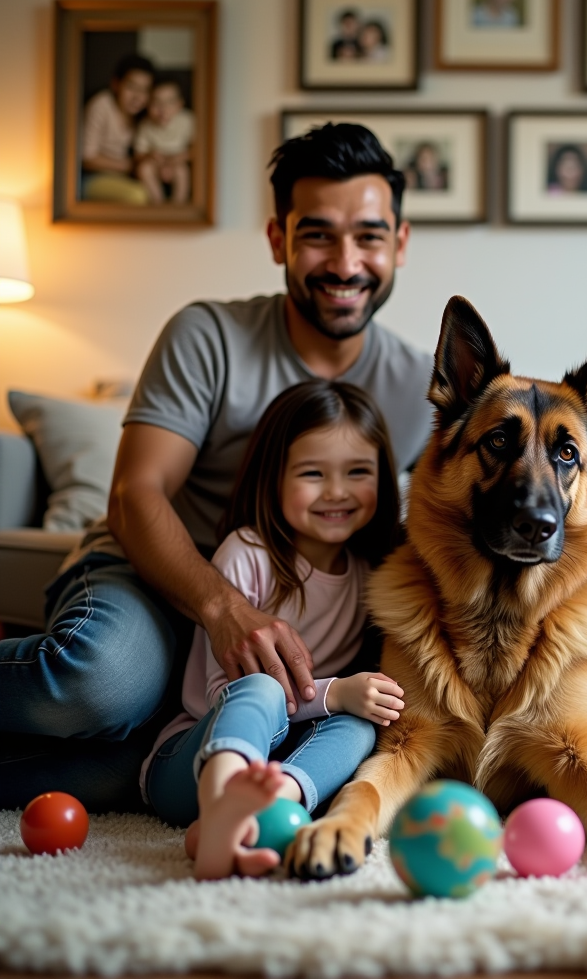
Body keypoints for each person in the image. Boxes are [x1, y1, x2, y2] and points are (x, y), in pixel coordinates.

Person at [0, 122, 435, 812]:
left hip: (277, 625)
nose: (346, 262)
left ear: (400, 244)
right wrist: (226, 608)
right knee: (106, 685)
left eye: (370, 237)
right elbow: (137, 496)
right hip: (155, 579)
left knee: (127, 769)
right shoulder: (208, 335)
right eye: (317, 233)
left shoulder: (418, 387)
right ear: (277, 239)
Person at [146, 380, 404, 878]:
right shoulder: (248, 553)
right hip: (193, 758)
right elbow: (226, 692)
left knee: (359, 725)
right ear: (274, 477)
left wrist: (350, 701)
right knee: (262, 688)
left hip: (286, 756)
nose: (337, 491)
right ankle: (223, 802)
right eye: (312, 473)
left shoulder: (372, 573)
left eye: (358, 472)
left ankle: (265, 809)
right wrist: (334, 693)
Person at [80, 53, 154, 204]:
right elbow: (87, 158)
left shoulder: (146, 114)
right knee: (138, 195)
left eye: (144, 90)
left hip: (124, 178)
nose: (138, 97)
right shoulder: (101, 105)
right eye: (132, 87)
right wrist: (129, 165)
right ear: (116, 84)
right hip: (91, 178)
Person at [134, 77, 195, 205]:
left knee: (182, 171)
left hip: (179, 162)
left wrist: (180, 158)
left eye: (169, 102)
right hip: (156, 163)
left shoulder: (188, 120)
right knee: (144, 169)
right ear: (148, 105)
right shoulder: (145, 125)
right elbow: (139, 154)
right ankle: (158, 205)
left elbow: (197, 149)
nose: (163, 109)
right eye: (157, 103)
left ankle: (179, 207)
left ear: (179, 104)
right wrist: (151, 156)